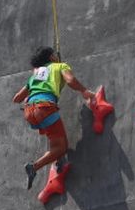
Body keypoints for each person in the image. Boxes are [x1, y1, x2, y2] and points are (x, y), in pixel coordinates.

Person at [12, 46, 95, 189]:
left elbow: (17, 98)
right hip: (44, 107)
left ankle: (55, 162)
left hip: (30, 112)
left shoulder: (35, 75)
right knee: (61, 147)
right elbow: (70, 80)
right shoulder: (60, 66)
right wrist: (84, 91)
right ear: (51, 57)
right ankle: (34, 166)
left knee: (55, 141)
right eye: (55, 55)